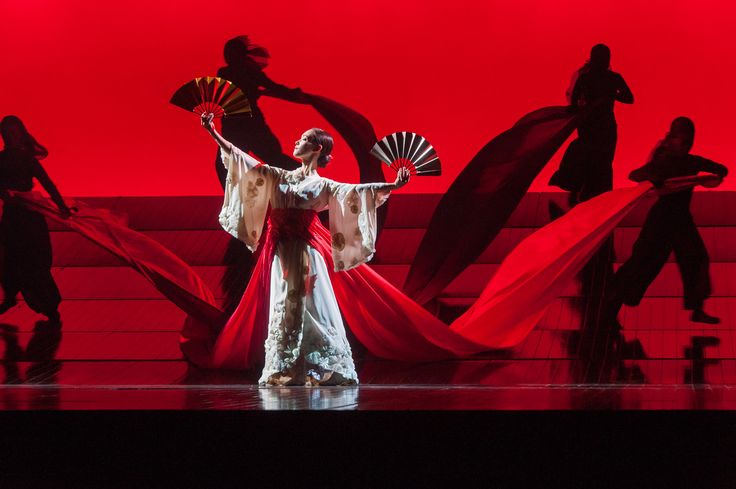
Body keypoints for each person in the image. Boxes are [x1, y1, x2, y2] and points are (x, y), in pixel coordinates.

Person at [200, 113, 410, 386]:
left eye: (304, 139)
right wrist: (213, 133)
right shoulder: (277, 176)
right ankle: (287, 366)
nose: (297, 142)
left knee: (313, 307)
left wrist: (393, 185)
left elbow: (356, 192)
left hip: (307, 253)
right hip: (279, 252)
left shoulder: (323, 185)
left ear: (317, 148)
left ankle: (321, 366)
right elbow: (242, 161)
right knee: (284, 304)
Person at [609, 117, 728, 325]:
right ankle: (612, 300)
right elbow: (635, 175)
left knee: (697, 260)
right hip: (662, 220)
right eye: (681, 139)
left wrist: (709, 178)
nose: (684, 144)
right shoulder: (664, 161)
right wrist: (656, 177)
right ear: (673, 139)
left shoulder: (690, 161)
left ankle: (697, 309)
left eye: (687, 140)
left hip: (680, 220)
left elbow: (721, 168)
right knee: (643, 261)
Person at [0, 116, 72, 322]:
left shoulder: (26, 159)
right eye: (8, 132)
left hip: (30, 217)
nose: (12, 136)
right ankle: (11, 297)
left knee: (36, 262)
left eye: (15, 131)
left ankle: (48, 305)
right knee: (8, 259)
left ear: (21, 133)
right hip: (13, 217)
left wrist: (62, 206)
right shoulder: (1, 159)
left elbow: (47, 183)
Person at [550, 43, 634, 203]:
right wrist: (611, 95)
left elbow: (573, 103)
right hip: (606, 127)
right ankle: (601, 202)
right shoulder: (613, 78)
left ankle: (578, 199)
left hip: (588, 126)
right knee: (603, 167)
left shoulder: (585, 77)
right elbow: (629, 98)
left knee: (587, 164)